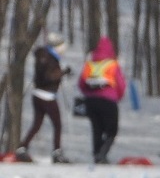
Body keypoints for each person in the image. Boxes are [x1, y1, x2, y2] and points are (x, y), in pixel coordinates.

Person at [16, 32, 72, 163]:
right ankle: (57, 153)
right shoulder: (50, 58)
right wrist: (63, 72)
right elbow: (49, 76)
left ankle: (22, 148)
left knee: (37, 124)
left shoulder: (43, 56)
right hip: (47, 96)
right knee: (57, 125)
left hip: (37, 95)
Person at [78, 36, 127, 164]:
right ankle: (102, 153)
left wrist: (89, 93)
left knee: (97, 129)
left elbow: (81, 84)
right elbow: (121, 84)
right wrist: (118, 97)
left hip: (91, 101)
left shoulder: (90, 64)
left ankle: (96, 154)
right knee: (112, 130)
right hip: (108, 101)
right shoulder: (112, 65)